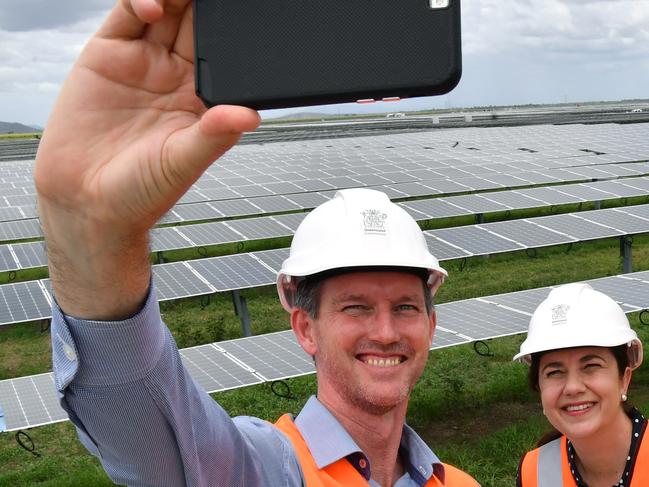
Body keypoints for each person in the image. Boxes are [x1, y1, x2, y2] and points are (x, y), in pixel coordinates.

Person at [35, 1, 480, 485]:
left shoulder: (457, 482)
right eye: (354, 308)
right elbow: (153, 434)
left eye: (407, 308)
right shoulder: (265, 468)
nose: (387, 331)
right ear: (305, 328)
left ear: (432, 326)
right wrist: (96, 236)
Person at [514, 283, 647, 487]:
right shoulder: (535, 472)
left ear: (624, 379)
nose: (573, 387)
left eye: (591, 366)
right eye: (555, 372)